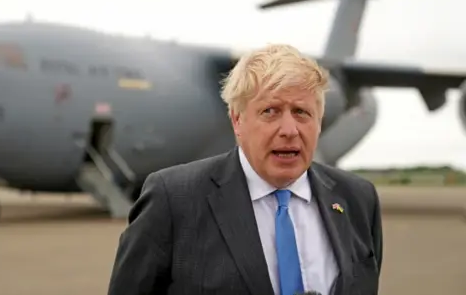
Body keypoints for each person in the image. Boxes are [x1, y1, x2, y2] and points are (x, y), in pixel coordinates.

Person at [106, 43, 383, 295]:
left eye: (301, 112)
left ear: (319, 121)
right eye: (270, 111)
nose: (289, 130)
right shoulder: (174, 200)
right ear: (237, 121)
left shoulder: (358, 200)